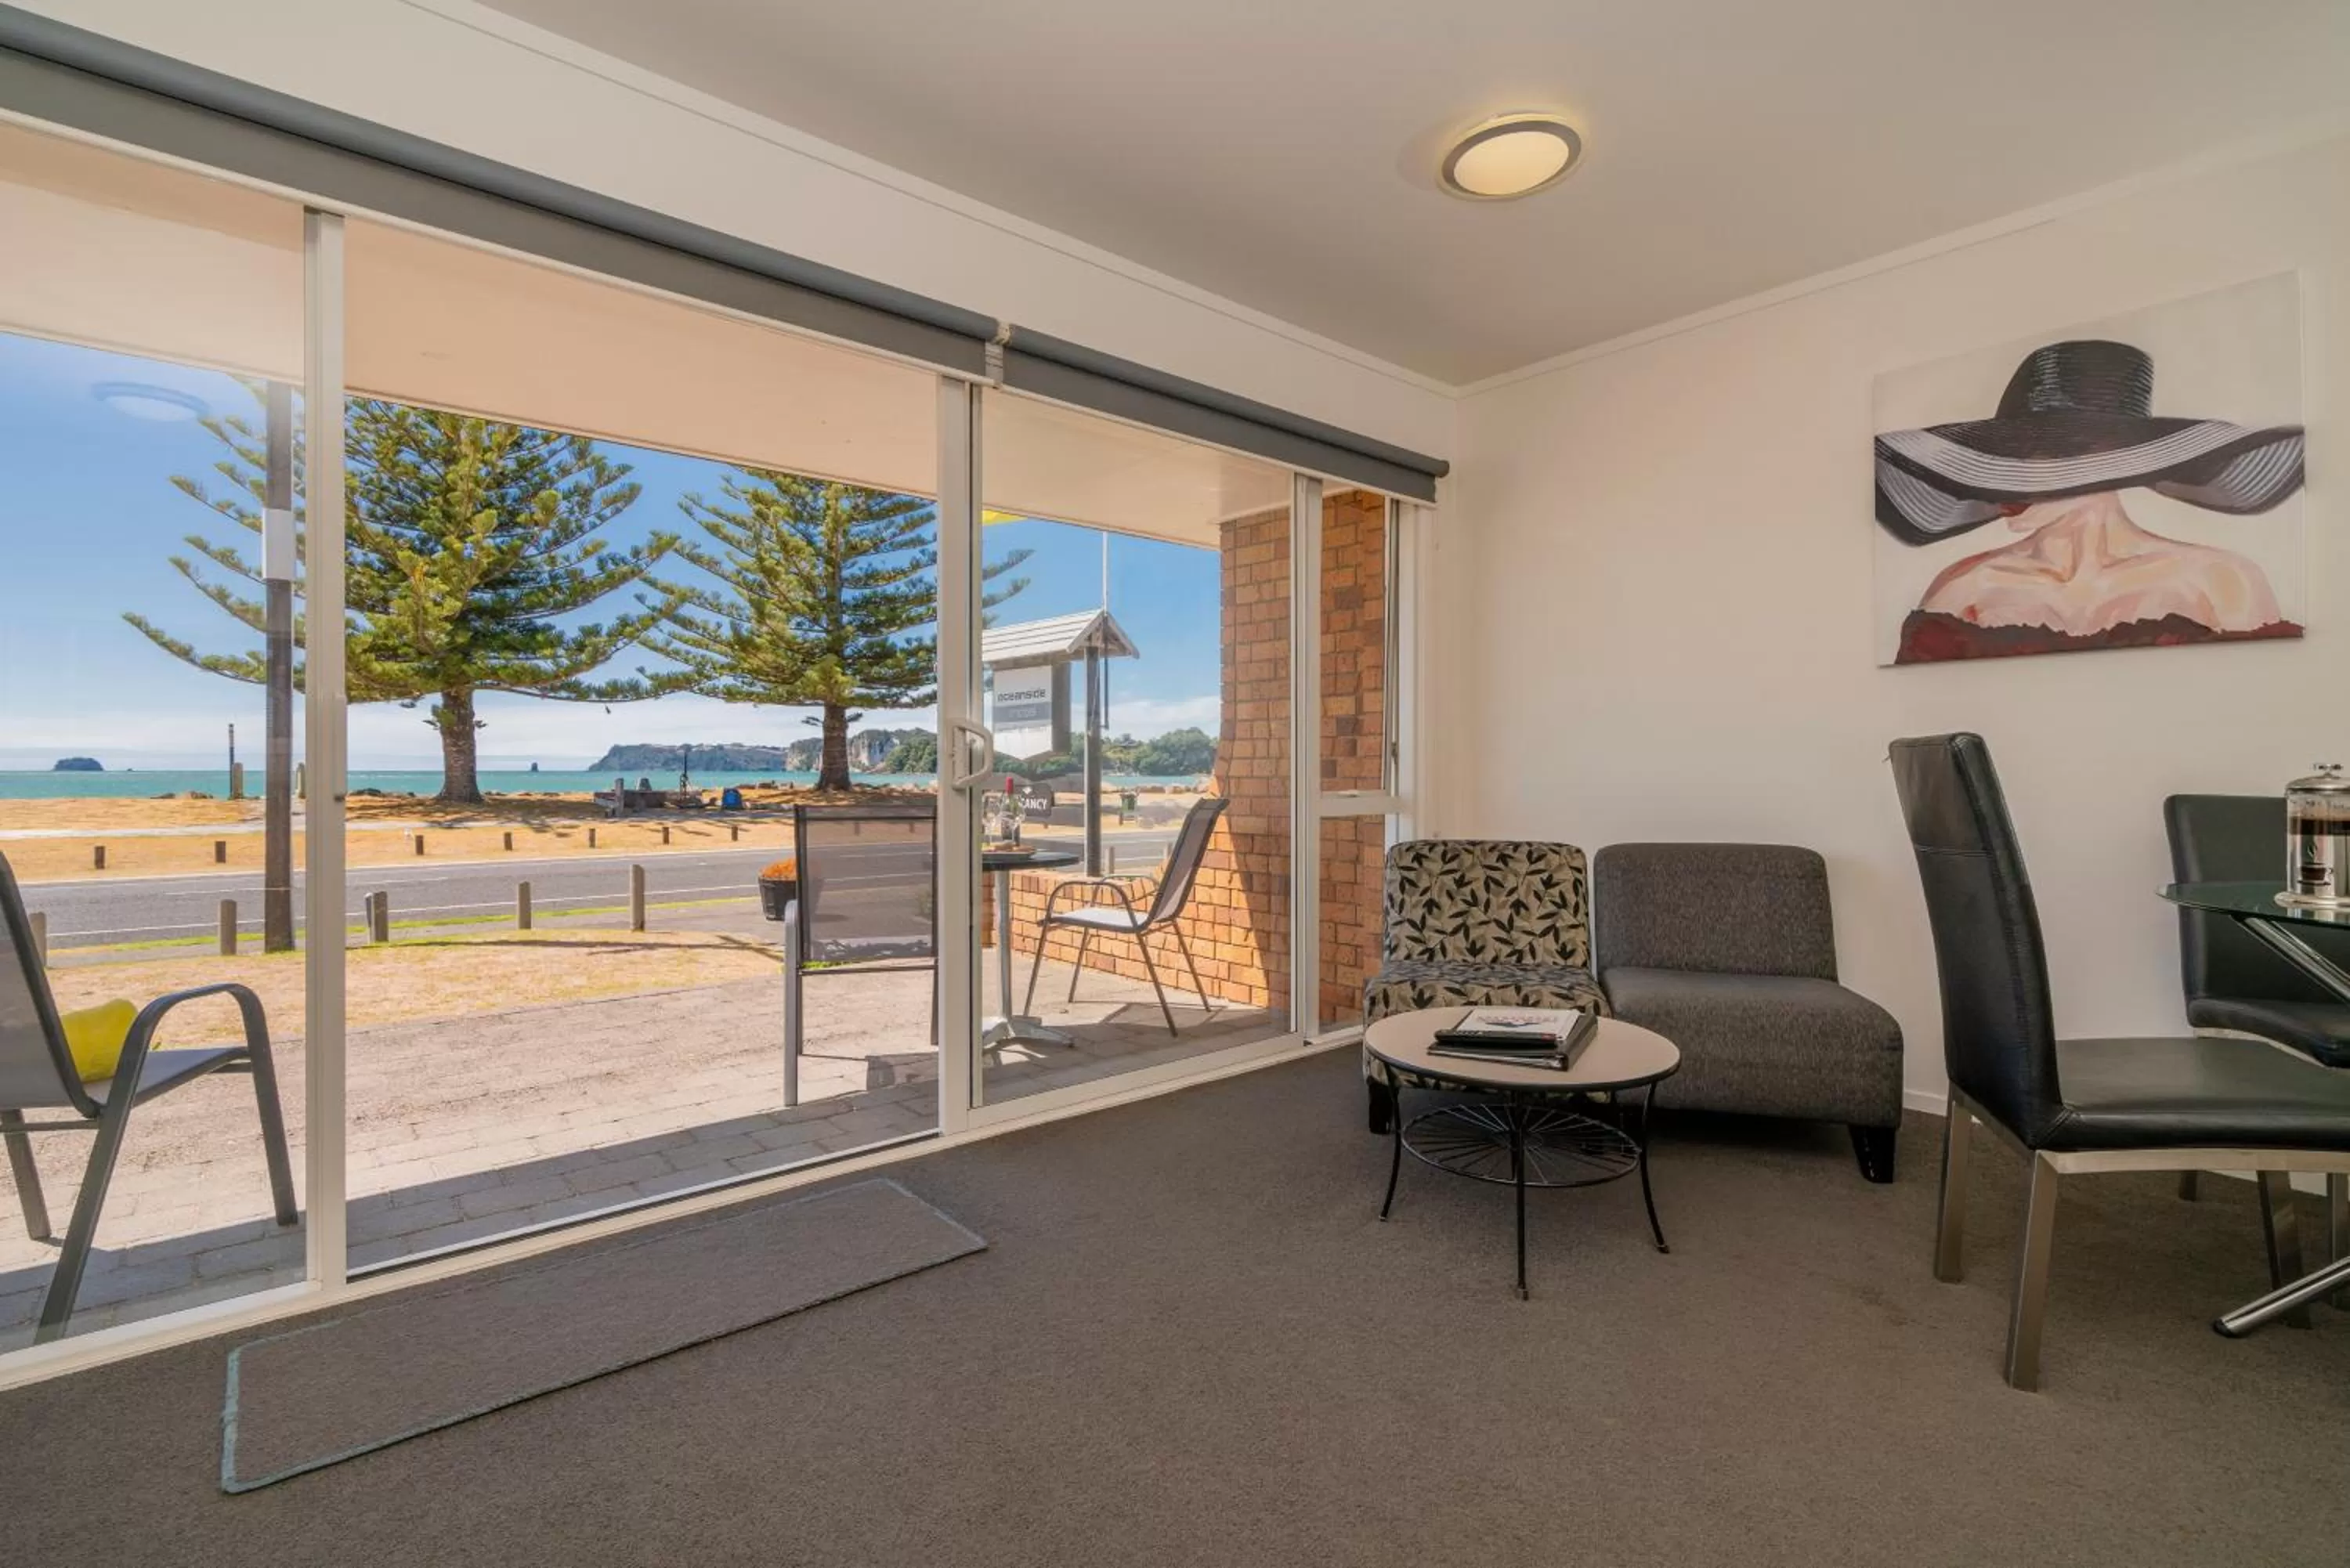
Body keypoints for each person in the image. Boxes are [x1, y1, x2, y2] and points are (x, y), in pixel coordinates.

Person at [1875, 338, 2304, 663]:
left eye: (2038, 454)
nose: (2005, 481)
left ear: (2111, 461)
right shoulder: (1962, 588)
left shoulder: (2222, 579)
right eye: (2005, 457)